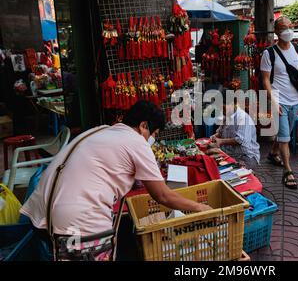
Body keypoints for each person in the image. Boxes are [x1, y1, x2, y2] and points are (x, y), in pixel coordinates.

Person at [20, 101, 212, 261]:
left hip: (41, 212)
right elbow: (162, 194)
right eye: (153, 134)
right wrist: (199, 208)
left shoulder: (100, 131)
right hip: (76, 222)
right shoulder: (137, 142)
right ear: (144, 125)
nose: (152, 139)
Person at [260, 16, 298, 189]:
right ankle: (288, 171)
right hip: (279, 100)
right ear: (276, 31)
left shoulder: (297, 49)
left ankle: (273, 153)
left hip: (295, 100)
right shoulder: (269, 53)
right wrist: (273, 101)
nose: (288, 30)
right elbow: (266, 80)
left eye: (290, 26)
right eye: (283, 28)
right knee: (285, 138)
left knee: (285, 133)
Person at [209, 91, 260, 170]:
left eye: (223, 107)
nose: (221, 111)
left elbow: (241, 140)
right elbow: (220, 132)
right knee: (210, 160)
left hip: (247, 157)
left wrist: (221, 141)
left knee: (229, 171)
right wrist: (215, 136)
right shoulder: (227, 115)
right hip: (231, 153)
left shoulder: (243, 118)